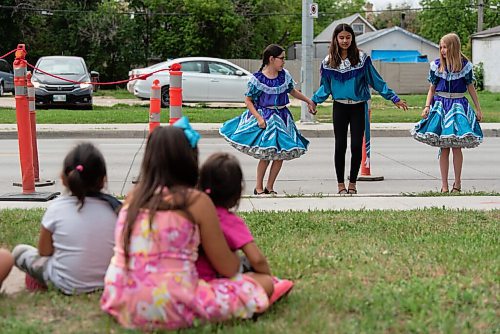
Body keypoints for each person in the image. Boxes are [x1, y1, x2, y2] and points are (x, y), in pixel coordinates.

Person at [100, 118, 273, 331]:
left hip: (120, 298)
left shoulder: (132, 198)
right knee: (266, 283)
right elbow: (227, 268)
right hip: (172, 302)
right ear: (189, 160)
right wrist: (242, 266)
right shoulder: (196, 202)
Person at [12, 142, 121, 294]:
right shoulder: (116, 209)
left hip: (65, 283)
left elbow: (44, 252)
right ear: (103, 179)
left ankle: (38, 283)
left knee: (19, 251)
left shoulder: (56, 208)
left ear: (64, 178)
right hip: (109, 281)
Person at [311, 24, 408, 195]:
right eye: (341, 37)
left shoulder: (362, 59)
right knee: (340, 145)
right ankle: (340, 184)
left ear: (352, 38)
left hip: (358, 107)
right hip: (339, 107)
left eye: (348, 37)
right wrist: (313, 101)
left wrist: (394, 98)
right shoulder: (328, 62)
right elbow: (325, 88)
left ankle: (353, 183)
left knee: (356, 146)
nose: (345, 41)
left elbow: (377, 81)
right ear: (335, 39)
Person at [197, 152, 294, 304]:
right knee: (263, 281)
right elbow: (257, 259)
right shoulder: (229, 221)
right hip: (216, 281)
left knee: (242, 262)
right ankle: (272, 286)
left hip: (192, 279)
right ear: (238, 191)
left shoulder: (195, 213)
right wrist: (267, 277)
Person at [220, 44, 315, 195]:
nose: (284, 62)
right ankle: (258, 187)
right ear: (271, 59)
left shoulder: (285, 76)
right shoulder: (257, 79)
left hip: (283, 118)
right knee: (266, 154)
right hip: (266, 118)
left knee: (280, 154)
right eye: (282, 58)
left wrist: (308, 101)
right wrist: (258, 118)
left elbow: (292, 91)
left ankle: (269, 187)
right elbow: (248, 100)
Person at [411, 33, 483, 193]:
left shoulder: (465, 66)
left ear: (454, 47)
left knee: (457, 146)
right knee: (444, 147)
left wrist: (478, 108)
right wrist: (427, 106)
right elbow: (432, 88)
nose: (443, 50)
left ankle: (457, 184)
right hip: (441, 106)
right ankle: (444, 185)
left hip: (458, 107)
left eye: (445, 47)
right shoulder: (436, 66)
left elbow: (471, 88)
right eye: (441, 47)